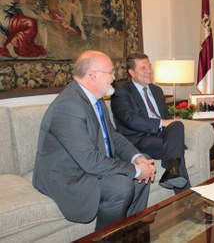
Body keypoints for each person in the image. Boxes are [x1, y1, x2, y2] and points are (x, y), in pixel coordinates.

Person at [32, 50, 156, 231]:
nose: (114, 77)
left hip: (88, 164)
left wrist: (136, 158)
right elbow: (89, 161)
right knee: (121, 186)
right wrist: (136, 170)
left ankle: (131, 230)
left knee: (144, 159)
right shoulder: (68, 107)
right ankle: (108, 237)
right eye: (111, 72)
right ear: (93, 75)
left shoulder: (96, 99)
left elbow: (112, 135)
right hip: (69, 175)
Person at [111, 52, 191, 194]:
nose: (149, 71)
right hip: (138, 139)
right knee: (175, 150)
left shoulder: (157, 90)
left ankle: (173, 171)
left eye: (149, 67)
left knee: (177, 124)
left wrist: (167, 124)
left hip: (160, 135)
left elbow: (166, 118)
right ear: (131, 72)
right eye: (143, 68)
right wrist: (161, 123)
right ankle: (186, 197)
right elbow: (130, 119)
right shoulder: (121, 92)